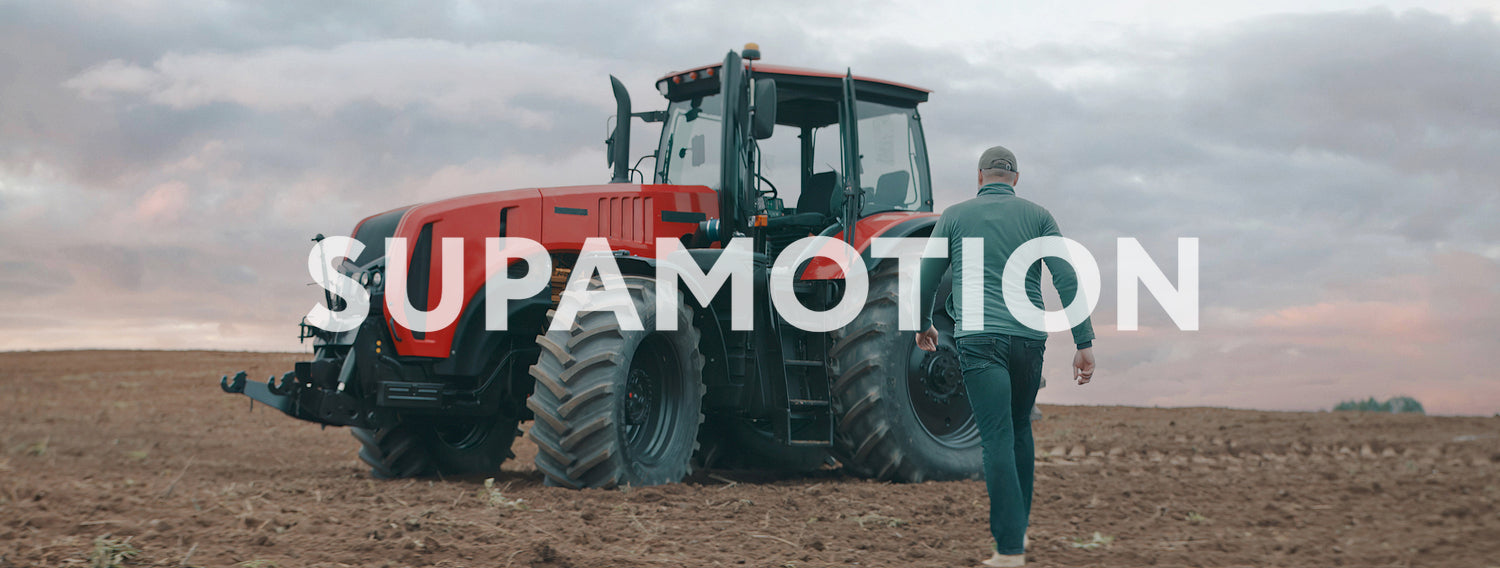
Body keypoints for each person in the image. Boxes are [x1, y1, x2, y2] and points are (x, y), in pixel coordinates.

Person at [914, 145, 1096, 567]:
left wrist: (923, 323)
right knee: (1019, 430)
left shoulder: (955, 216)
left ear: (980, 177)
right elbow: (1065, 277)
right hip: (1030, 342)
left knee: (995, 437)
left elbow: (927, 276)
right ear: (1016, 178)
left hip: (980, 341)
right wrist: (1083, 342)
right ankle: (1019, 529)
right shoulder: (1038, 216)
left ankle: (1009, 550)